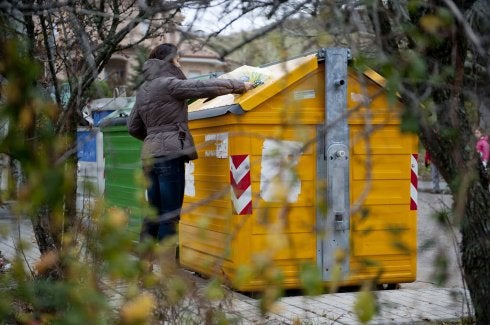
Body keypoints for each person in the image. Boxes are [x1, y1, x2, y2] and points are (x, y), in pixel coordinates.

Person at [127, 43, 253, 246]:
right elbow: (203, 87)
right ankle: (166, 273)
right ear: (169, 61)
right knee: (170, 214)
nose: (180, 64)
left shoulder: (144, 90)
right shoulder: (169, 83)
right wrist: (241, 86)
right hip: (169, 157)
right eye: (178, 60)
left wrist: (154, 139)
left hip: (149, 156)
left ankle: (144, 268)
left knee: (153, 213)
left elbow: (132, 126)